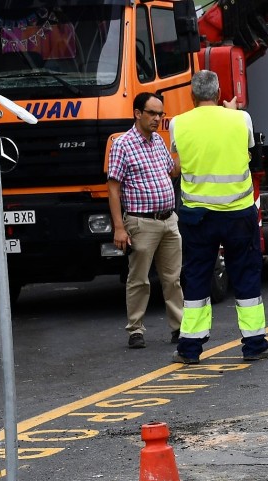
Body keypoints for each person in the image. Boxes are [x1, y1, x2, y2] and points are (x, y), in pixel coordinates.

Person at [170, 70, 268, 364]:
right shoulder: (240, 119)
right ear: (218, 94)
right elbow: (248, 150)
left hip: (197, 217)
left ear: (192, 96)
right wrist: (232, 112)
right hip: (237, 214)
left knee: (195, 279)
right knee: (245, 277)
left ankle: (189, 349)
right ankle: (254, 345)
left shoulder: (177, 124)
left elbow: (178, 164)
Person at [107, 91, 184, 350]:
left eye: (160, 114)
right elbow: (113, 188)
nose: (157, 118)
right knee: (139, 279)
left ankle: (179, 327)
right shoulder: (122, 144)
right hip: (141, 223)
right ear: (137, 113)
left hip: (168, 220)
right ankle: (135, 330)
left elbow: (171, 171)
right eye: (152, 113)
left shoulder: (159, 142)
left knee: (172, 278)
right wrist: (119, 227)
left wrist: (182, 149)